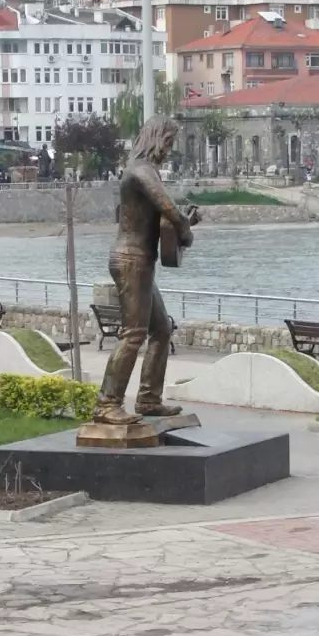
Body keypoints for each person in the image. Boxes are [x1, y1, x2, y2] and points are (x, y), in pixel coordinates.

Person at [93, 116, 194, 425]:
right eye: (169, 142)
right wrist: (185, 228)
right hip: (131, 261)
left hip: (141, 261)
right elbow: (169, 210)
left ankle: (149, 399)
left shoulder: (143, 170)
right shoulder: (140, 171)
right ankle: (107, 404)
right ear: (157, 139)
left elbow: (159, 220)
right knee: (134, 333)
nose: (169, 150)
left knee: (162, 329)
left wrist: (182, 223)